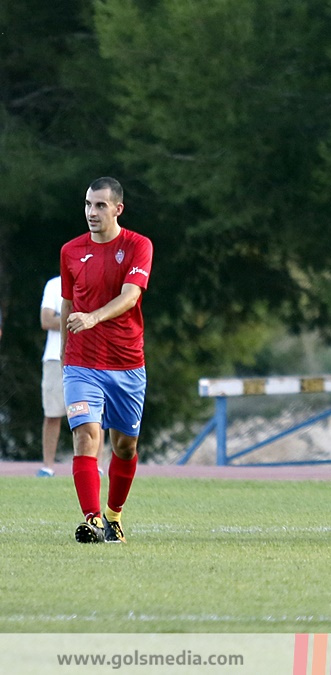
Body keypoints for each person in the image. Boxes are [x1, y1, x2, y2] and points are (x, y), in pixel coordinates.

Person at [61, 177, 153, 544]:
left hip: (127, 363)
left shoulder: (137, 246)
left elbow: (130, 296)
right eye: (87, 204)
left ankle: (113, 517)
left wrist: (93, 317)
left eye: (100, 205)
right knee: (86, 437)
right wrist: (65, 360)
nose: (91, 212)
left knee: (124, 446)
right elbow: (69, 306)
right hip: (81, 363)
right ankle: (93, 518)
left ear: (118, 209)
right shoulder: (70, 251)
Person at [39, 275, 66, 477]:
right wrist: (76, 316)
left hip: (88, 356)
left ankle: (96, 467)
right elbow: (46, 320)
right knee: (52, 414)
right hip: (55, 357)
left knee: (93, 416)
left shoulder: (96, 280)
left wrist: (62, 316)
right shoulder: (54, 284)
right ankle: (48, 466)